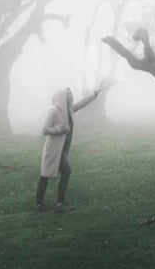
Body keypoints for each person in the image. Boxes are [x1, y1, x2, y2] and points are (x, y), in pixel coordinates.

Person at [35, 83, 104, 213]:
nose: (71, 96)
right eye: (68, 95)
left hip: (61, 150)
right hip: (53, 150)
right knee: (50, 174)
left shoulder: (69, 110)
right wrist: (61, 129)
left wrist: (94, 94)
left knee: (51, 174)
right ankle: (50, 204)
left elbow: (81, 103)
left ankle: (52, 203)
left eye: (71, 94)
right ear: (61, 97)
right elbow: (44, 130)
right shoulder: (54, 111)